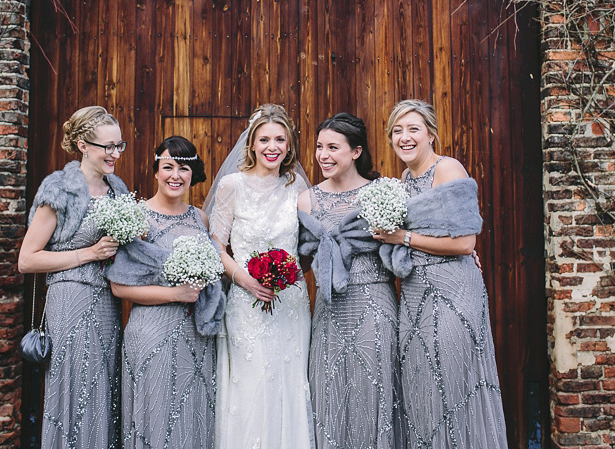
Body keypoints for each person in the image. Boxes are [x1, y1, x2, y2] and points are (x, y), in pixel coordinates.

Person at [373, 99, 507, 449]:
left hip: (452, 289)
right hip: (415, 291)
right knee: (422, 385)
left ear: (431, 133)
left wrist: (401, 237)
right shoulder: (404, 178)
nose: (405, 137)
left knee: (453, 381)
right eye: (397, 131)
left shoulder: (448, 169)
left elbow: (464, 243)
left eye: (413, 129)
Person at [18, 106, 128, 449]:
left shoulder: (117, 190)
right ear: (82, 145)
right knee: (75, 387)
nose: (114, 154)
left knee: (103, 387)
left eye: (118, 145)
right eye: (106, 146)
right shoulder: (61, 189)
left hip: (107, 304)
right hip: (70, 301)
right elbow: (27, 259)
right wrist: (88, 254)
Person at [206, 104, 315, 449]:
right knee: (249, 385)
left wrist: (290, 274)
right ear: (251, 144)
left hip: (290, 304)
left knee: (288, 382)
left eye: (280, 139)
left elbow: (315, 241)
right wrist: (242, 277)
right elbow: (216, 245)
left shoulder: (296, 185)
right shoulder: (231, 185)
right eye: (264, 139)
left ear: (289, 145)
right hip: (245, 303)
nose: (273, 146)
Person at [109, 136, 219, 449]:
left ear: (192, 173)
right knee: (155, 414)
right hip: (151, 332)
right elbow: (119, 285)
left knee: (192, 412)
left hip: (196, 336)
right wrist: (175, 294)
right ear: (156, 171)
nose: (175, 175)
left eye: (183, 168)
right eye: (167, 166)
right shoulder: (138, 218)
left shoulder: (200, 218)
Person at [297, 113, 400, 449]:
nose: (323, 155)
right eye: (319, 147)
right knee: (330, 392)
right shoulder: (307, 200)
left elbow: (409, 237)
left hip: (374, 303)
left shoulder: (381, 192)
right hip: (329, 309)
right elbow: (298, 258)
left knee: (375, 390)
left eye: (333, 148)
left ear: (356, 152)